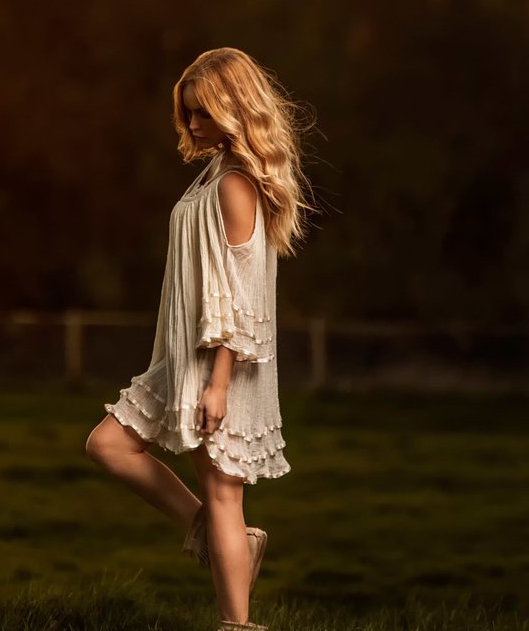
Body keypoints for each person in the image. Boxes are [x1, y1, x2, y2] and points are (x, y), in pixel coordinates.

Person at [84, 47, 317, 631]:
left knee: (224, 501)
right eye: (186, 113)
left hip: (221, 366)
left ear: (234, 110)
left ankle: (236, 625)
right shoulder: (216, 171)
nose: (191, 125)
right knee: (108, 445)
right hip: (183, 360)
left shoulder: (237, 185)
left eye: (202, 113)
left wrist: (218, 383)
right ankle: (222, 540)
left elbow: (243, 298)